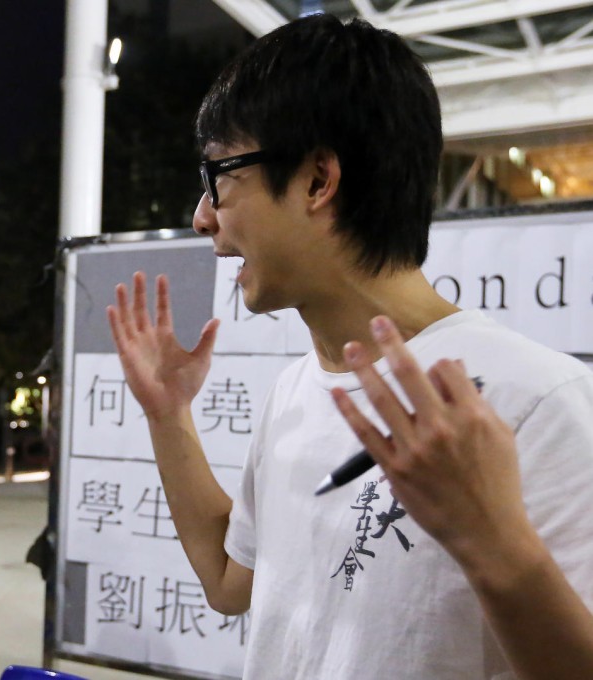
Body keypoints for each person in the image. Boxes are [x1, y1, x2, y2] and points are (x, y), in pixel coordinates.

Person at [107, 14, 593, 680]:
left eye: (220, 174)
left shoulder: (538, 401)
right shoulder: (294, 392)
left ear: (316, 180)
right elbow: (228, 580)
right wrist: (168, 416)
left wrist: (496, 547)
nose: (202, 217)